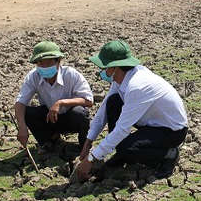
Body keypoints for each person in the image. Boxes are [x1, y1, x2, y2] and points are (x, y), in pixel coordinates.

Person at [75, 40, 188, 181]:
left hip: (171, 130)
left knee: (127, 148)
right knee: (113, 102)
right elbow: (103, 111)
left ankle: (169, 154)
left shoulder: (138, 86)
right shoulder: (120, 79)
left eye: (103, 67)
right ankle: (122, 155)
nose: (100, 71)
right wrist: (88, 142)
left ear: (115, 67)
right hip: (150, 122)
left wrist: (91, 159)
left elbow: (122, 129)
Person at [15, 41, 93, 153]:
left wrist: (61, 103)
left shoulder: (71, 74)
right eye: (41, 63)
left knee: (80, 113)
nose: (45, 66)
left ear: (58, 62)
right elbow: (20, 103)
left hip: (70, 117)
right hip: (50, 118)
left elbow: (89, 101)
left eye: (49, 63)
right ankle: (50, 139)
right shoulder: (33, 76)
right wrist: (22, 127)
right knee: (27, 113)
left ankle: (85, 145)